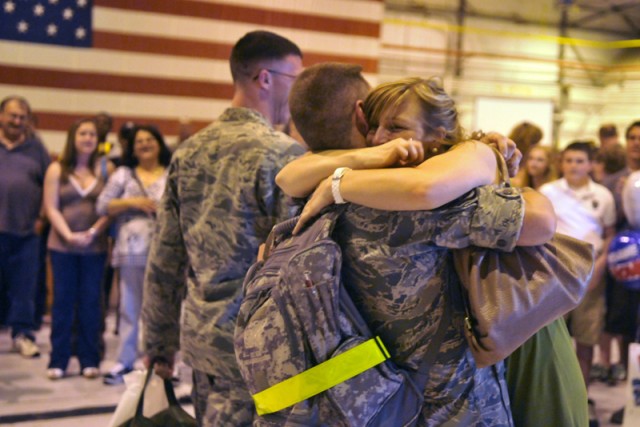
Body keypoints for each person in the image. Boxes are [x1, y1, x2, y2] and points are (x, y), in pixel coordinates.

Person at [277, 67, 557, 424]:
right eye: (377, 124)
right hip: (451, 406)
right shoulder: (425, 205)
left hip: (363, 403)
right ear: (361, 114)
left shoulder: (302, 197)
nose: (380, 137)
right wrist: (487, 165)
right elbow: (540, 221)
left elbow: (287, 176)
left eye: (395, 127)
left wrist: (341, 179)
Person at [141, 30, 305, 426]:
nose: (297, 94)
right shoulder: (285, 157)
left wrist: (158, 345)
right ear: (264, 78)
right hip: (262, 351)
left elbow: (165, 259)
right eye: (294, 80)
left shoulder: (189, 152)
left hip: (203, 346)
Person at [539, 141, 616, 426]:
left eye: (580, 161)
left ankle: (581, 400)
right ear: (561, 163)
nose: (574, 166)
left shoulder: (603, 196)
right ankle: (553, 399)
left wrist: (601, 265)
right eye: (569, 160)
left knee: (586, 340)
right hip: (554, 274)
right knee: (551, 341)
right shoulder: (547, 192)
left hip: (592, 274)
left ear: (590, 163)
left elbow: (609, 234)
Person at [96, 124, 171, 385]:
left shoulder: (172, 173)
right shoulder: (124, 175)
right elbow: (102, 204)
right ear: (133, 147)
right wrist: (132, 202)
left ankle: (161, 363)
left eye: (150, 139)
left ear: (160, 143)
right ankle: (125, 360)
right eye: (140, 141)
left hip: (166, 254)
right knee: (130, 307)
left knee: (163, 310)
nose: (145, 144)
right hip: (131, 251)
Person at [43, 118, 113, 380]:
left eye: (92, 134)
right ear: (73, 137)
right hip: (62, 247)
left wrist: (94, 231)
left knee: (91, 304)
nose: (88, 138)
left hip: (94, 249)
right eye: (83, 133)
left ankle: (89, 358)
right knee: (62, 302)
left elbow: (110, 208)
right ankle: (58, 359)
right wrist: (69, 235)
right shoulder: (56, 169)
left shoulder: (106, 170)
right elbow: (51, 207)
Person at [0, 95, 50, 358]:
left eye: (22, 117)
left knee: (24, 288)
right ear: (1, 116)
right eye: (12, 115)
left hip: (26, 232)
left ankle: (22, 335)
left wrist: (42, 217)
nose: (17, 121)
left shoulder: (36, 148)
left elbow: (50, 183)